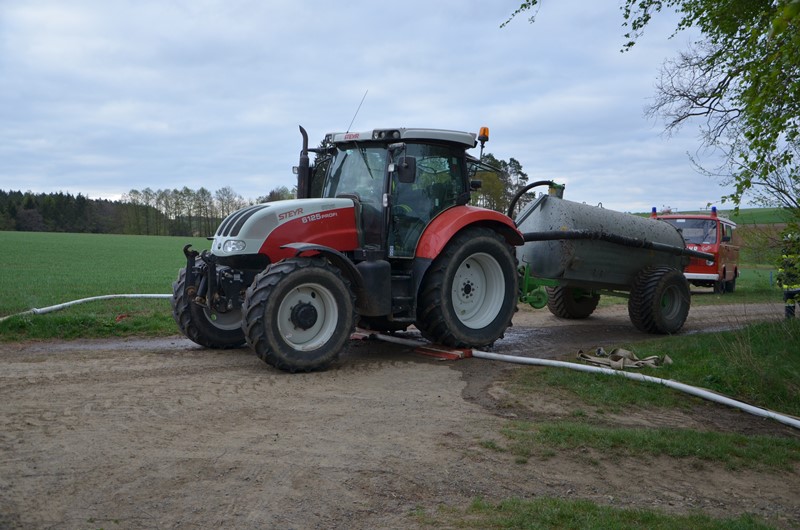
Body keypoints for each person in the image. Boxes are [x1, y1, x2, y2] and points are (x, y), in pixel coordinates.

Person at [777, 231, 800, 318]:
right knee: (789, 311)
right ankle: (790, 324)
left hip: (799, 287)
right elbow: (782, 267)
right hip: (788, 288)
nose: (787, 244)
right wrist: (779, 278)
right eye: (786, 242)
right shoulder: (784, 252)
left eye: (789, 242)